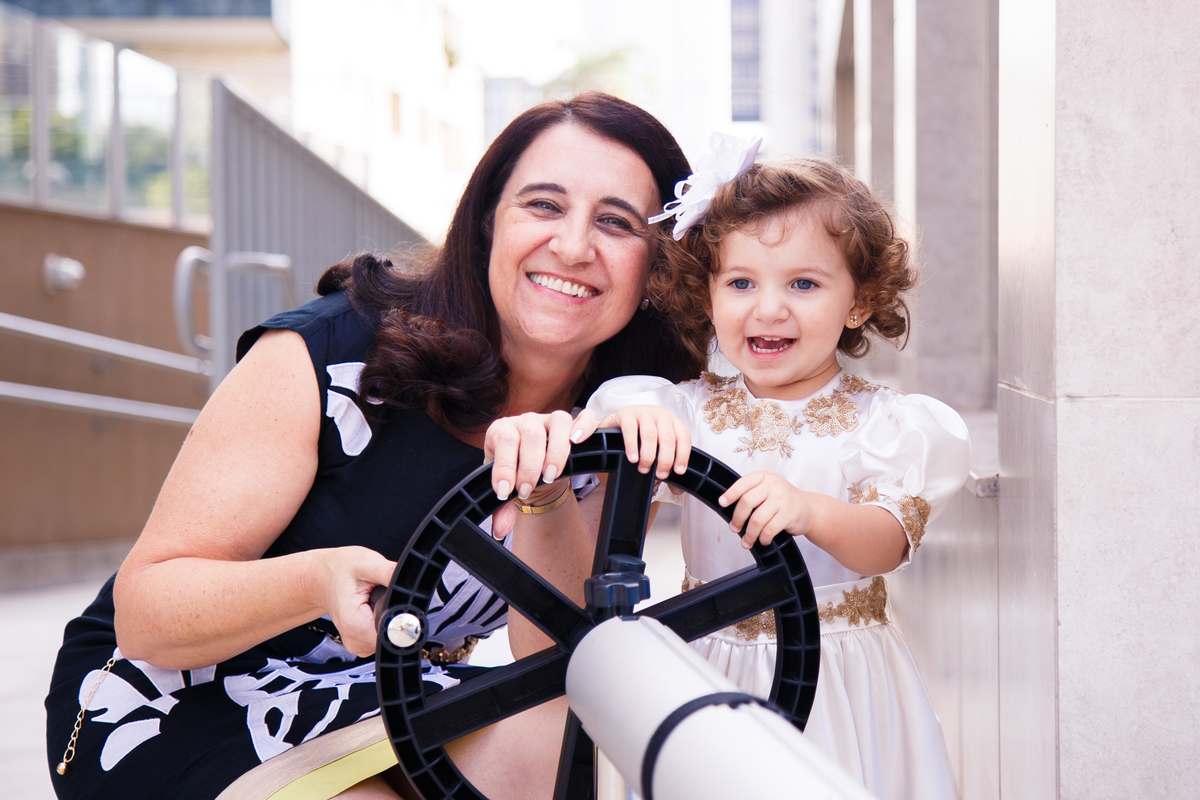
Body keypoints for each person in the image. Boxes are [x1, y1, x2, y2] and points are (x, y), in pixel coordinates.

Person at [44, 92, 699, 800]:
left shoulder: (617, 414)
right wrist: (315, 582)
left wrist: (546, 498)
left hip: (386, 690)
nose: (574, 246)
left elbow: (553, 650)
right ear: (486, 224)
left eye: (616, 222)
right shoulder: (334, 353)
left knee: (572, 738)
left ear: (658, 264)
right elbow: (146, 615)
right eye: (542, 206)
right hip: (174, 698)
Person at [493, 144, 972, 800]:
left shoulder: (888, 427)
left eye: (803, 284)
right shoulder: (684, 411)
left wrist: (812, 511)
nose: (768, 309)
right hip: (706, 664)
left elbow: (887, 542)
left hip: (837, 668)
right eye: (741, 283)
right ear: (708, 296)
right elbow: (617, 421)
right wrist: (639, 420)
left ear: (858, 302)